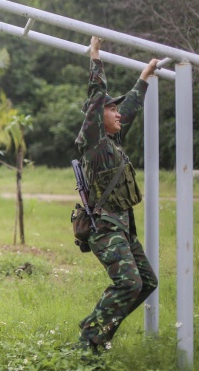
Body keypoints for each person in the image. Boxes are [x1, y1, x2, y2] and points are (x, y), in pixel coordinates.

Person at [74, 36, 159, 353]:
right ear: (98, 117)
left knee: (147, 283)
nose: (117, 113)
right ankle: (89, 339)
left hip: (122, 229)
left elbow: (130, 110)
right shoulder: (94, 142)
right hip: (105, 229)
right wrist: (95, 56)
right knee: (129, 283)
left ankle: (97, 331)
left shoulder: (112, 143)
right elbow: (96, 99)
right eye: (112, 109)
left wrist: (145, 77)